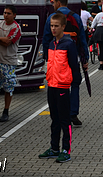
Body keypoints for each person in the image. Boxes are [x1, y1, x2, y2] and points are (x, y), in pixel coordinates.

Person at [38, 13, 82, 163]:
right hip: (52, 85)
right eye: (51, 25)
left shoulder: (68, 44)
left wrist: (75, 81)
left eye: (56, 26)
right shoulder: (51, 44)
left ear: (63, 27)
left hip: (63, 86)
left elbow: (74, 66)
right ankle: (54, 148)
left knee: (64, 120)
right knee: (54, 119)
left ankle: (66, 150)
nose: (53, 28)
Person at [42, 0, 88, 127]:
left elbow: (46, 38)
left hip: (57, 56)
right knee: (74, 83)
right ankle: (73, 113)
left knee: (58, 85)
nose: (52, 5)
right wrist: (85, 58)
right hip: (73, 56)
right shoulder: (75, 17)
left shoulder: (52, 18)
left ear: (58, 3)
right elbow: (82, 39)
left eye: (53, 2)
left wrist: (47, 56)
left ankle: (59, 113)